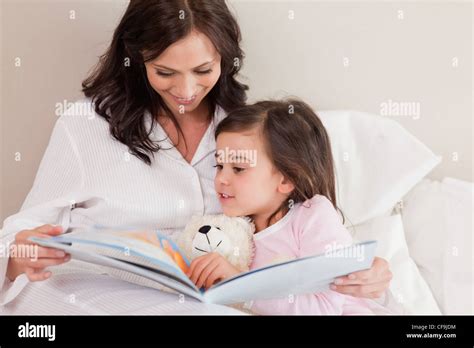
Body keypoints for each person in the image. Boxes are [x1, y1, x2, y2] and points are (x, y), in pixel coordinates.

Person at [0, 0, 392, 310]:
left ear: (225, 57)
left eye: (203, 70)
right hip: (90, 290)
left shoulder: (246, 134)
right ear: (137, 61)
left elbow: (294, 235)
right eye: (165, 72)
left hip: (202, 299)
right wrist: (19, 254)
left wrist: (365, 276)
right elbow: (19, 234)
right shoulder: (85, 125)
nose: (186, 90)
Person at [186, 99, 392, 314]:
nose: (221, 179)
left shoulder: (313, 216)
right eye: (219, 165)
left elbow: (324, 309)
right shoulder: (232, 228)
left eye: (238, 168)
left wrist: (239, 286)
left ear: (285, 180)